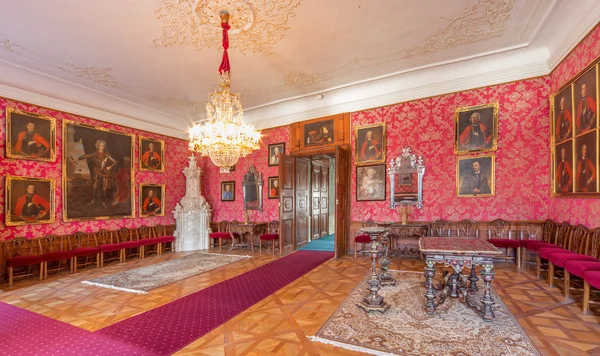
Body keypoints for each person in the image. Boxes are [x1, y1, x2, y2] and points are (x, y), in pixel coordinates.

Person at [71, 139, 117, 206]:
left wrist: (110, 166)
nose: (102, 147)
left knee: (104, 187)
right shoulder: (95, 153)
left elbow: (115, 162)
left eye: (103, 145)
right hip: (97, 172)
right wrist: (77, 159)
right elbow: (86, 155)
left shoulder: (106, 154)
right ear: (98, 146)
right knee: (95, 186)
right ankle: (94, 199)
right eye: (101, 145)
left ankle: (103, 202)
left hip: (104, 173)